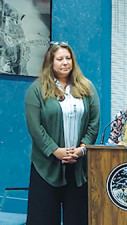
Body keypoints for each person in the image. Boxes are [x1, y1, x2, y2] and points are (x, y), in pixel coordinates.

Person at [25, 42, 100, 225]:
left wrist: (81, 149)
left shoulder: (86, 88)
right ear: (50, 63)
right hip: (46, 165)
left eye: (68, 58)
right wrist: (55, 150)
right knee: (43, 218)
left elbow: (94, 122)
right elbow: (35, 127)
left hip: (78, 166)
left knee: (77, 218)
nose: (65, 63)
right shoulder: (37, 89)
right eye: (59, 59)